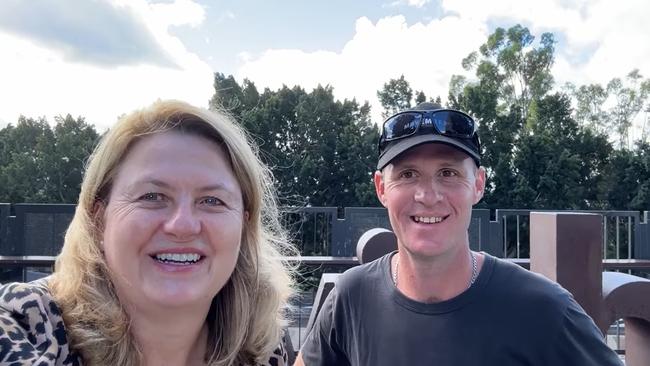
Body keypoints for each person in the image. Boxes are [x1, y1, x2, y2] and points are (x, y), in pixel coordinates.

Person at [295, 102, 623, 365]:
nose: (428, 195)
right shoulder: (351, 299)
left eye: (448, 173)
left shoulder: (543, 309)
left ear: (478, 185)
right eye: (408, 174)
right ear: (382, 188)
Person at [0, 100, 295, 365]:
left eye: (211, 201)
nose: (182, 225)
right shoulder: (23, 327)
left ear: (244, 226)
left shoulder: (262, 347)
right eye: (152, 197)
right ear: (98, 218)